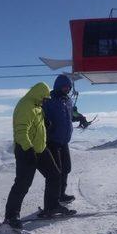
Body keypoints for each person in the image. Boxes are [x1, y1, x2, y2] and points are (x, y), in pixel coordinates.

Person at [4, 82, 76, 229]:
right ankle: (11, 216)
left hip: (40, 149)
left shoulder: (37, 106)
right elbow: (21, 131)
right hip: (26, 149)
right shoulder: (26, 106)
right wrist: (28, 149)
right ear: (38, 95)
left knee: (55, 175)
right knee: (22, 184)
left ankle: (51, 206)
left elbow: (36, 125)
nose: (45, 101)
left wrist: (45, 122)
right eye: (44, 98)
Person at [42, 74, 86, 204]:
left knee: (66, 168)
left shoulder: (67, 100)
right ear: (58, 86)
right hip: (52, 140)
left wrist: (80, 117)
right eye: (65, 87)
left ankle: (61, 194)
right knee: (56, 172)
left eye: (69, 88)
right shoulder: (49, 100)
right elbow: (41, 115)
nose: (67, 90)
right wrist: (46, 123)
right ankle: (53, 200)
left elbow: (71, 114)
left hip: (64, 140)